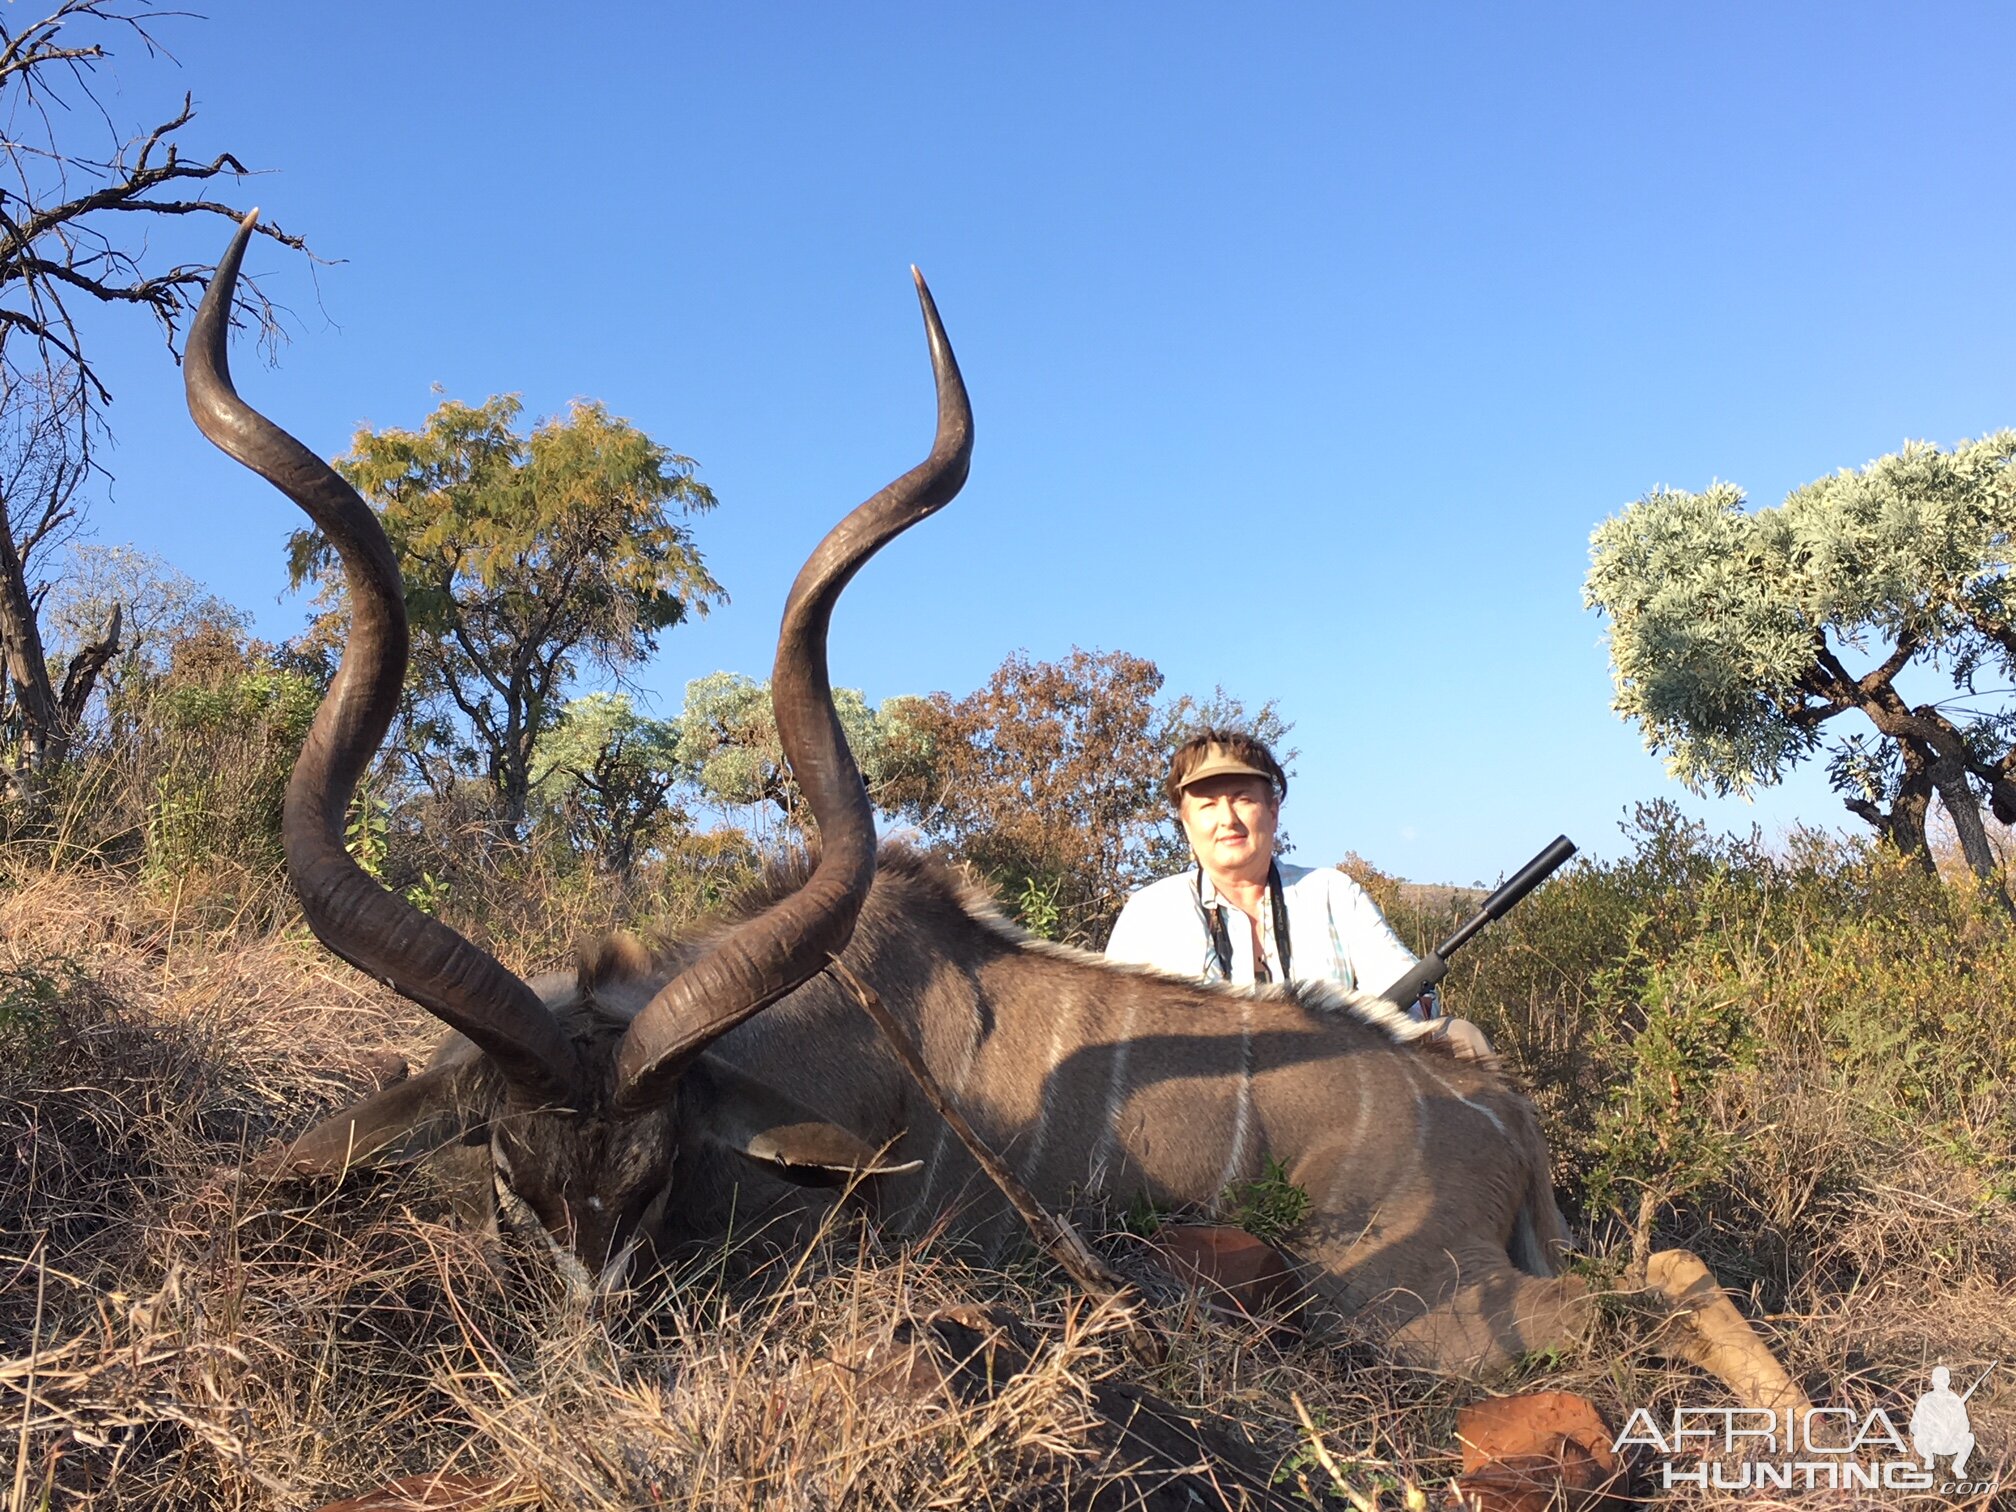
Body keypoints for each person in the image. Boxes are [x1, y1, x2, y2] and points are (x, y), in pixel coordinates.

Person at [1105, 730, 1491, 1056]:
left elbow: (1411, 1002)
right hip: (1203, 1108)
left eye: (1243, 798)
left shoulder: (1332, 892)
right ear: (1186, 823)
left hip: (1335, 1093)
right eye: (1207, 805)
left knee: (1462, 1041)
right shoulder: (1149, 914)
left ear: (1272, 811)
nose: (1227, 819)